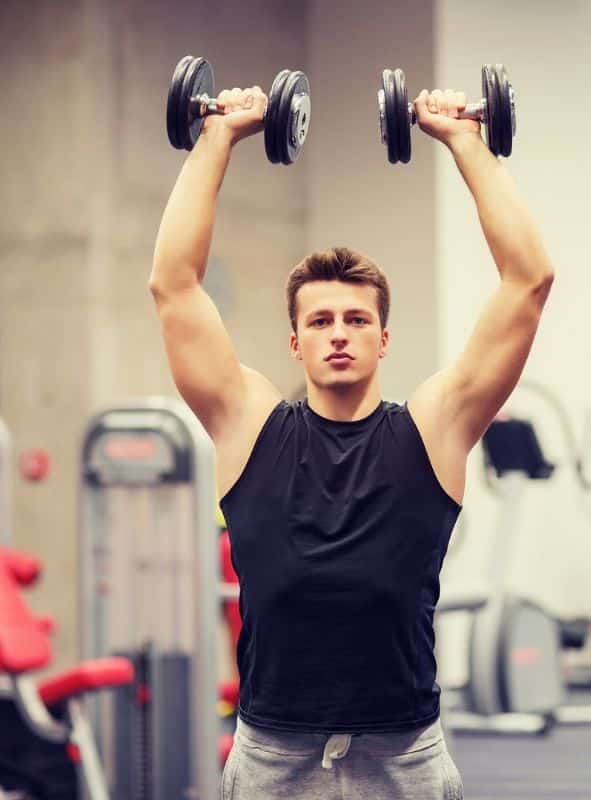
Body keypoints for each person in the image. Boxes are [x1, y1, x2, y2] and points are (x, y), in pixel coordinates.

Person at [149, 84, 554, 799]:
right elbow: (175, 286)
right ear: (295, 341)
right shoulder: (248, 425)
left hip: (403, 755)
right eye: (323, 320)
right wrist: (217, 137)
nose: (340, 332)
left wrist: (466, 142)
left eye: (358, 320)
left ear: (384, 339)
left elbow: (528, 281)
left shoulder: (435, 427)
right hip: (274, 754)